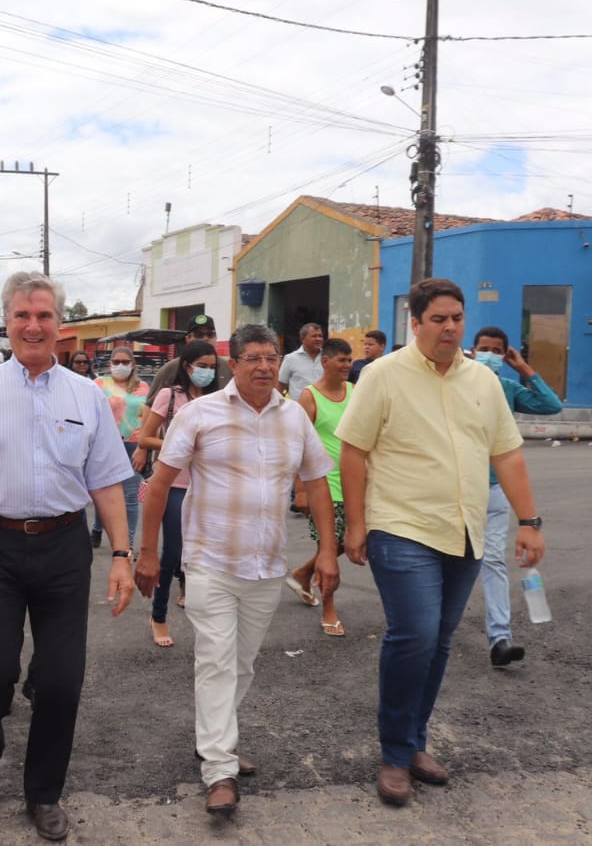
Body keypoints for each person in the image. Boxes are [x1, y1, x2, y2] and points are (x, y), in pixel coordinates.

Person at [0, 271, 136, 842]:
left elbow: (107, 483)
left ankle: (43, 790)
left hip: (63, 546)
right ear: (7, 322)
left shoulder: (86, 396)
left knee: (61, 679)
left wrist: (122, 554)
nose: (33, 325)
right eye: (22, 315)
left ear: (59, 325)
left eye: (44, 315)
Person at [336, 278, 546, 807]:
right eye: (438, 319)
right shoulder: (383, 375)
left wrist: (529, 521)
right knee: (415, 634)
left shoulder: (484, 380)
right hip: (401, 525)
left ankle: (413, 742)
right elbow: (354, 451)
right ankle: (394, 753)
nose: (450, 327)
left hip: (466, 529)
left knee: (439, 640)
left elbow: (507, 454)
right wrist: (355, 524)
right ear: (416, 322)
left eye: (457, 318)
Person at [135, 323, 337, 818]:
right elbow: (159, 484)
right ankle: (219, 770)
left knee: (242, 664)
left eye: (272, 358)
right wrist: (147, 552)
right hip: (210, 562)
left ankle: (213, 737)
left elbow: (317, 483)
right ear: (236, 364)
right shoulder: (200, 414)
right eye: (254, 359)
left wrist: (328, 552)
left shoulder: (294, 417)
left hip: (266, 566)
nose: (264, 367)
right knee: (217, 661)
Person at [471, 326, 562, 667]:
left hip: (495, 490)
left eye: (497, 351)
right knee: (447, 560)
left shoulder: (507, 389)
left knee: (493, 561)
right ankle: (430, 633)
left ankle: (500, 639)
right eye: (484, 349)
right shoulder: (454, 383)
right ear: (472, 350)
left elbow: (550, 405)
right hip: (454, 490)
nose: (490, 355)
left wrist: (522, 368)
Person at [129, 339, 218, 646]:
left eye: (212, 367)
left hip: (208, 485)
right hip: (175, 483)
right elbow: (145, 438)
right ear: (187, 366)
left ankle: (206, 614)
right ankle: (159, 616)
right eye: (201, 366)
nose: (207, 372)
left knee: (205, 556)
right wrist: (180, 446)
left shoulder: (218, 399)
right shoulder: (169, 396)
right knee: (172, 553)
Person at [286, 338, 356, 637]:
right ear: (325, 361)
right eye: (342, 360)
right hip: (324, 487)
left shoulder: (355, 392)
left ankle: (303, 572)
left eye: (349, 360)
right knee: (327, 548)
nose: (347, 365)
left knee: (348, 543)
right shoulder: (309, 397)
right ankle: (329, 609)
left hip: (353, 485)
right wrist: (301, 489)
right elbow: (298, 446)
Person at [90, 346, 149, 549]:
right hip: (105, 444)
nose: (120, 366)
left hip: (133, 445)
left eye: (125, 362)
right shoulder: (99, 384)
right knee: (104, 491)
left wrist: (144, 447)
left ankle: (128, 545)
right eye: (116, 362)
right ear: (110, 364)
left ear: (133, 364)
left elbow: (148, 419)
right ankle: (98, 528)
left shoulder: (143, 387)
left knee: (130, 497)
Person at [146, 313, 230, 406]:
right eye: (199, 335)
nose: (205, 338)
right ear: (188, 338)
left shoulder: (228, 368)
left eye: (210, 334)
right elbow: (150, 407)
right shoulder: (170, 369)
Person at [277, 323, 324, 398]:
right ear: (303, 339)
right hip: (298, 404)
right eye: (314, 336)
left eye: (320, 336)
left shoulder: (327, 358)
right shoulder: (290, 359)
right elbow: (280, 386)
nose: (318, 339)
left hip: (323, 404)